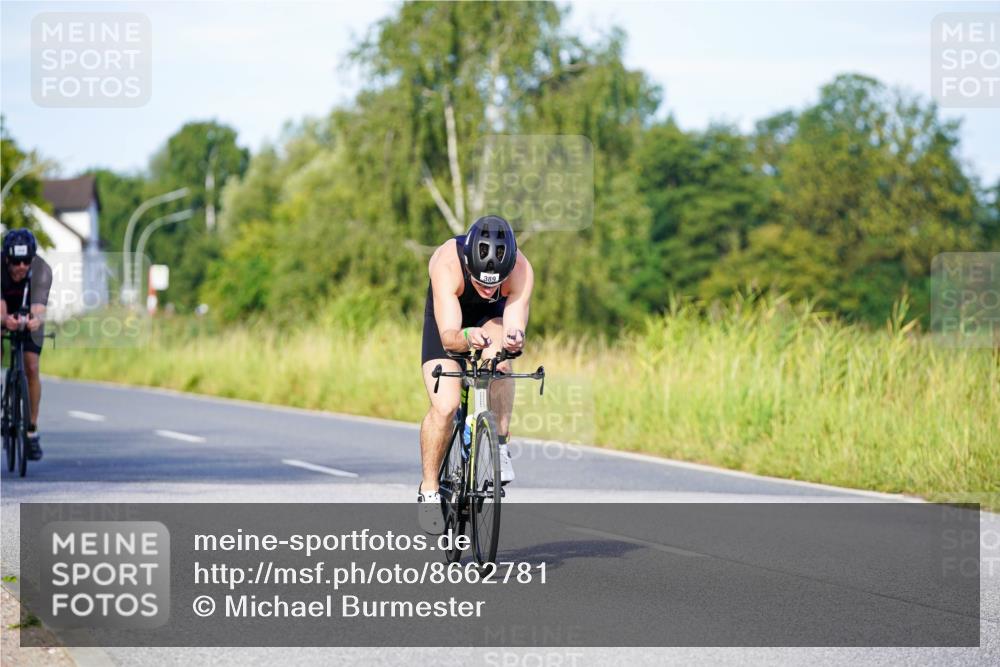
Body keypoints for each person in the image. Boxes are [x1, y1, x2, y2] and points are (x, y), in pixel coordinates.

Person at [418, 215, 534, 531]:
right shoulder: (447, 263)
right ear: (469, 265)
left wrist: (514, 339)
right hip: (449, 321)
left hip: (491, 320)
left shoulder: (522, 270)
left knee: (501, 362)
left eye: (495, 282)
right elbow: (449, 337)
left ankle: (498, 444)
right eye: (481, 281)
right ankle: (429, 488)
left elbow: (514, 325)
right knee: (446, 406)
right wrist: (467, 338)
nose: (487, 288)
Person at [1, 228, 52, 461]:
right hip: (4, 311)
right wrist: (5, 321)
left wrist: (35, 321)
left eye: (26, 261)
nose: (21, 266)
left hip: (28, 311)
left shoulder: (41, 270)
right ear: (6, 258)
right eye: (16, 261)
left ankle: (31, 430)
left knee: (31, 367)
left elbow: (39, 309)